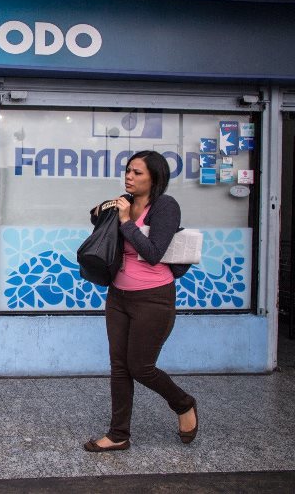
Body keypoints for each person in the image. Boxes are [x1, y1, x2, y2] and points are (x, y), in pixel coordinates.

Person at [83, 150, 197, 452]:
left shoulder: (166, 207)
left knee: (141, 366)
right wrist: (105, 212)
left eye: (137, 172)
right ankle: (119, 434)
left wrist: (125, 222)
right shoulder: (125, 202)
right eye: (128, 170)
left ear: (154, 178)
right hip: (118, 295)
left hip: (153, 298)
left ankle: (183, 403)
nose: (129, 177)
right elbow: (100, 225)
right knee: (119, 366)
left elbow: (153, 252)